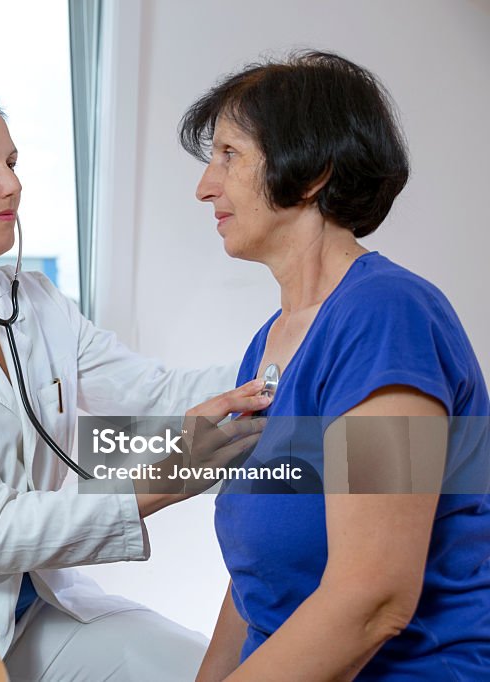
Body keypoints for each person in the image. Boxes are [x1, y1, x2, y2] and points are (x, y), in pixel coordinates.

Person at [0, 90, 269, 681]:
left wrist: (289, 367)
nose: (11, 184)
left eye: (11, 163)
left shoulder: (35, 301)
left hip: (32, 612)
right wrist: (171, 472)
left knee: (208, 671)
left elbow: (157, 393)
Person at [181, 51, 490, 680]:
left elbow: (372, 602)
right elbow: (255, 586)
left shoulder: (387, 318)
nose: (205, 186)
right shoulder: (272, 341)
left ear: (313, 171)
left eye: (230, 155)